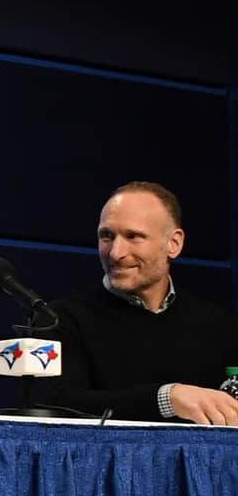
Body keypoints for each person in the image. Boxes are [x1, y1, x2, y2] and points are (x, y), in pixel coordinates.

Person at [40, 181, 238, 424]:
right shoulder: (57, 320)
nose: (115, 252)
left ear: (173, 244)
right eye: (106, 236)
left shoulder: (218, 326)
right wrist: (167, 398)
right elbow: (54, 405)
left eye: (133, 236)